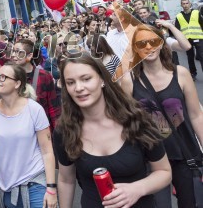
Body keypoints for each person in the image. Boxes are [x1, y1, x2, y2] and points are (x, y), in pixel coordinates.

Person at [54, 53, 172, 208]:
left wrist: (137, 189)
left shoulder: (136, 119)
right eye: (70, 82)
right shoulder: (64, 130)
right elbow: (66, 180)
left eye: (86, 79)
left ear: (102, 79)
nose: (78, 88)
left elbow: (164, 172)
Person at [121, 24, 203, 207]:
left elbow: (196, 116)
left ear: (161, 43)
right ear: (135, 48)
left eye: (153, 41)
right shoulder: (129, 80)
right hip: (150, 159)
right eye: (142, 43)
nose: (149, 47)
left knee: (191, 203)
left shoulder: (180, 74)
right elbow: (125, 121)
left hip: (184, 155)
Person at [0, 64, 57, 208]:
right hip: (7, 187)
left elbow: (47, 151)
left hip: (35, 183)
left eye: (3, 77)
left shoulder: (34, 109)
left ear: (17, 83)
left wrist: (51, 188)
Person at [10, 39, 60, 133]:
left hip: (42, 132)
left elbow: (53, 108)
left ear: (29, 56)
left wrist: (58, 134)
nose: (13, 55)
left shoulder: (44, 76)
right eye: (13, 51)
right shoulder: (9, 77)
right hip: (19, 132)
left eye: (17, 51)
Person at [175, 0, 203, 80]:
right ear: (181, 5)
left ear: (190, 4)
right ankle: (193, 73)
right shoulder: (179, 16)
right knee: (190, 57)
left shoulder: (196, 12)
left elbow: (202, 23)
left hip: (198, 37)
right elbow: (177, 29)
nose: (185, 5)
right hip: (187, 39)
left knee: (202, 56)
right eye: (183, 3)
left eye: (187, 3)